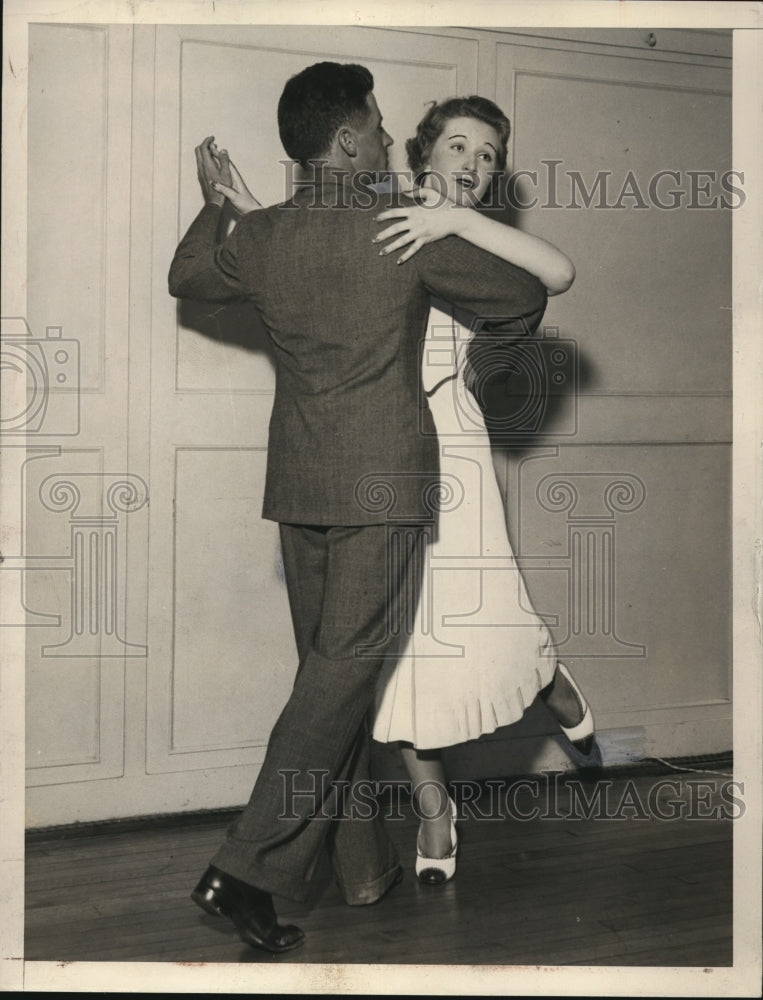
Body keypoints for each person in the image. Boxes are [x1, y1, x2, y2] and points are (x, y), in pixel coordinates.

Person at [168, 64, 549, 954]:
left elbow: (188, 275)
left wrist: (219, 202)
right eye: (377, 128)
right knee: (340, 682)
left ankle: (362, 865)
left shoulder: (261, 235)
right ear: (346, 142)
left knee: (326, 682)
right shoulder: (400, 229)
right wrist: (472, 345)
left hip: (298, 485)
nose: (386, 141)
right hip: (383, 485)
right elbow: (524, 299)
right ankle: (242, 869)